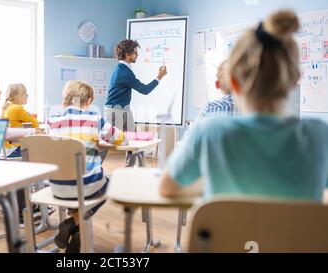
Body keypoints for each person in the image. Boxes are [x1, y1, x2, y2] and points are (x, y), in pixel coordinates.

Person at [160, 10, 328, 202]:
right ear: (295, 80)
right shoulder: (319, 135)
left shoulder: (210, 131)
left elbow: (167, 187)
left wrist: (212, 183)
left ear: (233, 83)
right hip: (297, 233)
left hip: (227, 233)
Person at [48, 80, 127, 252]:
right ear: (89, 100)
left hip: (56, 187)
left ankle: (74, 225)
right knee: (112, 182)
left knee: (73, 176)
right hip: (87, 187)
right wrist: (95, 141)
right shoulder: (94, 119)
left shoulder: (52, 121)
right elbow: (120, 138)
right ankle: (75, 222)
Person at [105, 39, 167, 166]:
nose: (137, 55)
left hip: (125, 110)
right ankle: (90, 170)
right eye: (135, 53)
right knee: (105, 143)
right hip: (114, 111)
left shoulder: (123, 69)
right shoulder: (124, 72)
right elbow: (144, 90)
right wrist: (159, 76)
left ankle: (135, 168)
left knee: (134, 141)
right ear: (127, 54)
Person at [1, 83, 39, 158]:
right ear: (18, 96)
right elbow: (35, 124)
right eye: (25, 93)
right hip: (15, 149)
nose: (27, 96)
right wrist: (30, 115)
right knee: (41, 150)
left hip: (7, 149)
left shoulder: (8, 107)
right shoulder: (17, 109)